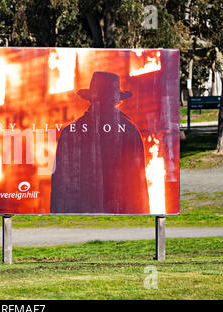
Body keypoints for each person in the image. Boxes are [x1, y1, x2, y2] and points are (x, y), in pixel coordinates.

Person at [50, 71, 149, 214]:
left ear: (91, 99)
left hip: (79, 216)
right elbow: (138, 184)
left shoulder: (70, 132)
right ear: (116, 100)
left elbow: (59, 186)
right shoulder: (129, 130)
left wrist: (58, 218)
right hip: (120, 214)